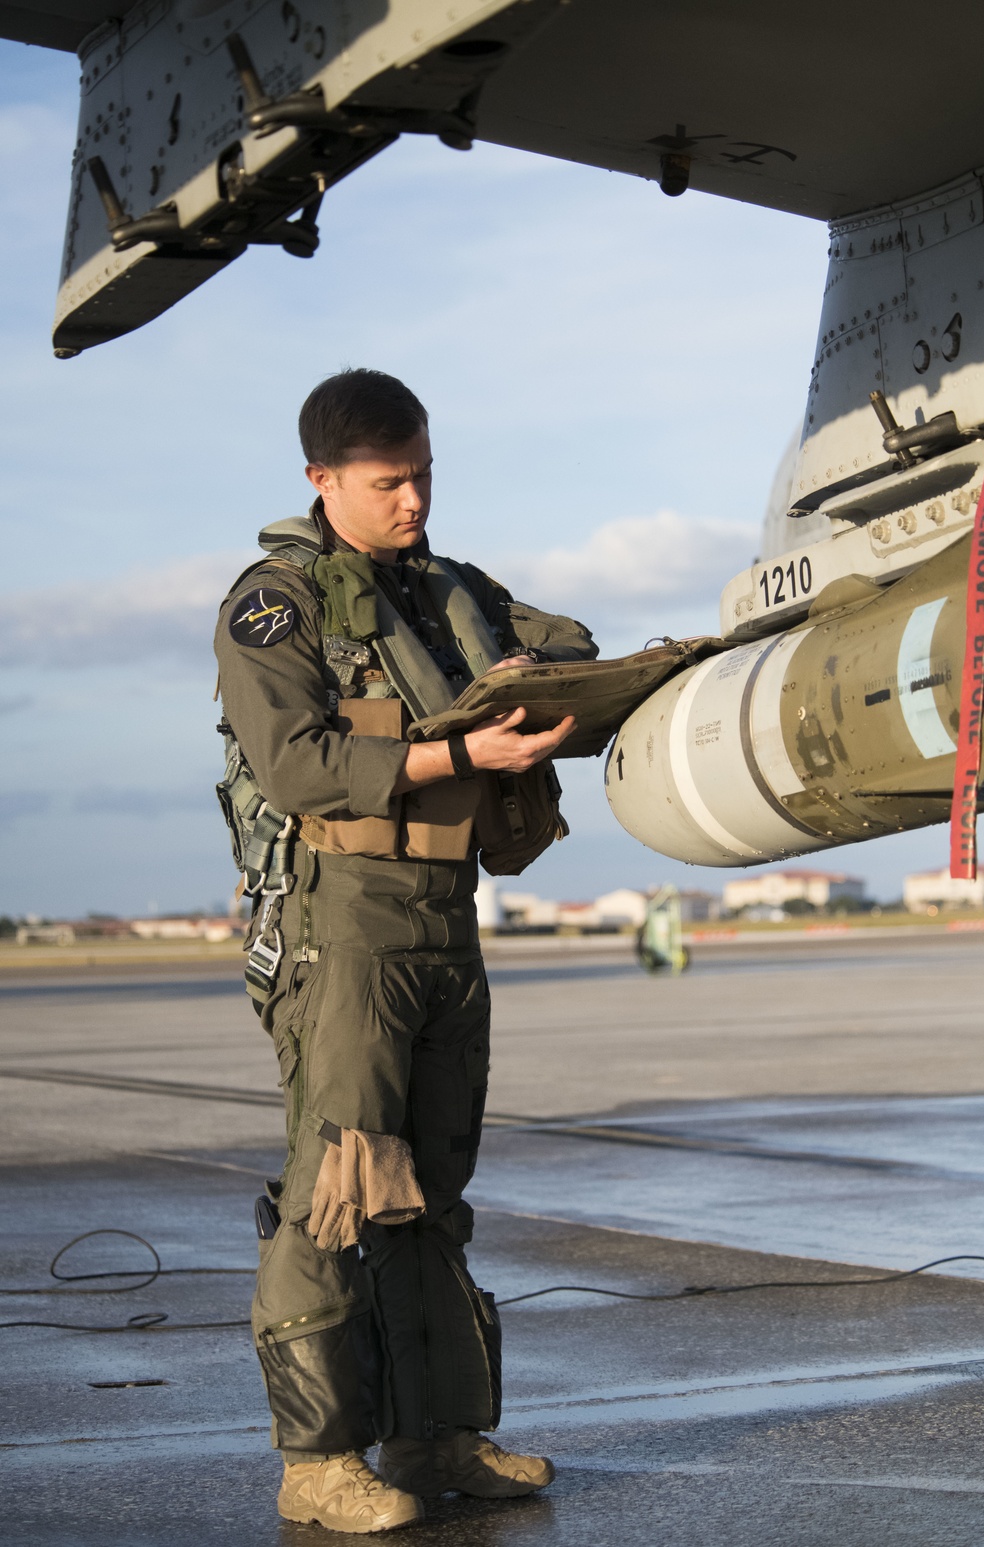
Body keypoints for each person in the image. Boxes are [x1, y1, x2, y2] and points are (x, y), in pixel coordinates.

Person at [214, 368, 598, 1534]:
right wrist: (446, 756)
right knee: (337, 1185)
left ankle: (437, 1435)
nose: (415, 500)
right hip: (344, 924)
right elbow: (295, 761)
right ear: (322, 480)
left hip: (443, 911)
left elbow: (566, 638)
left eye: (425, 474)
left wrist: (541, 684)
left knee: (430, 1183)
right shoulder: (273, 604)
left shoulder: (447, 594)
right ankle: (319, 1459)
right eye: (390, 482)